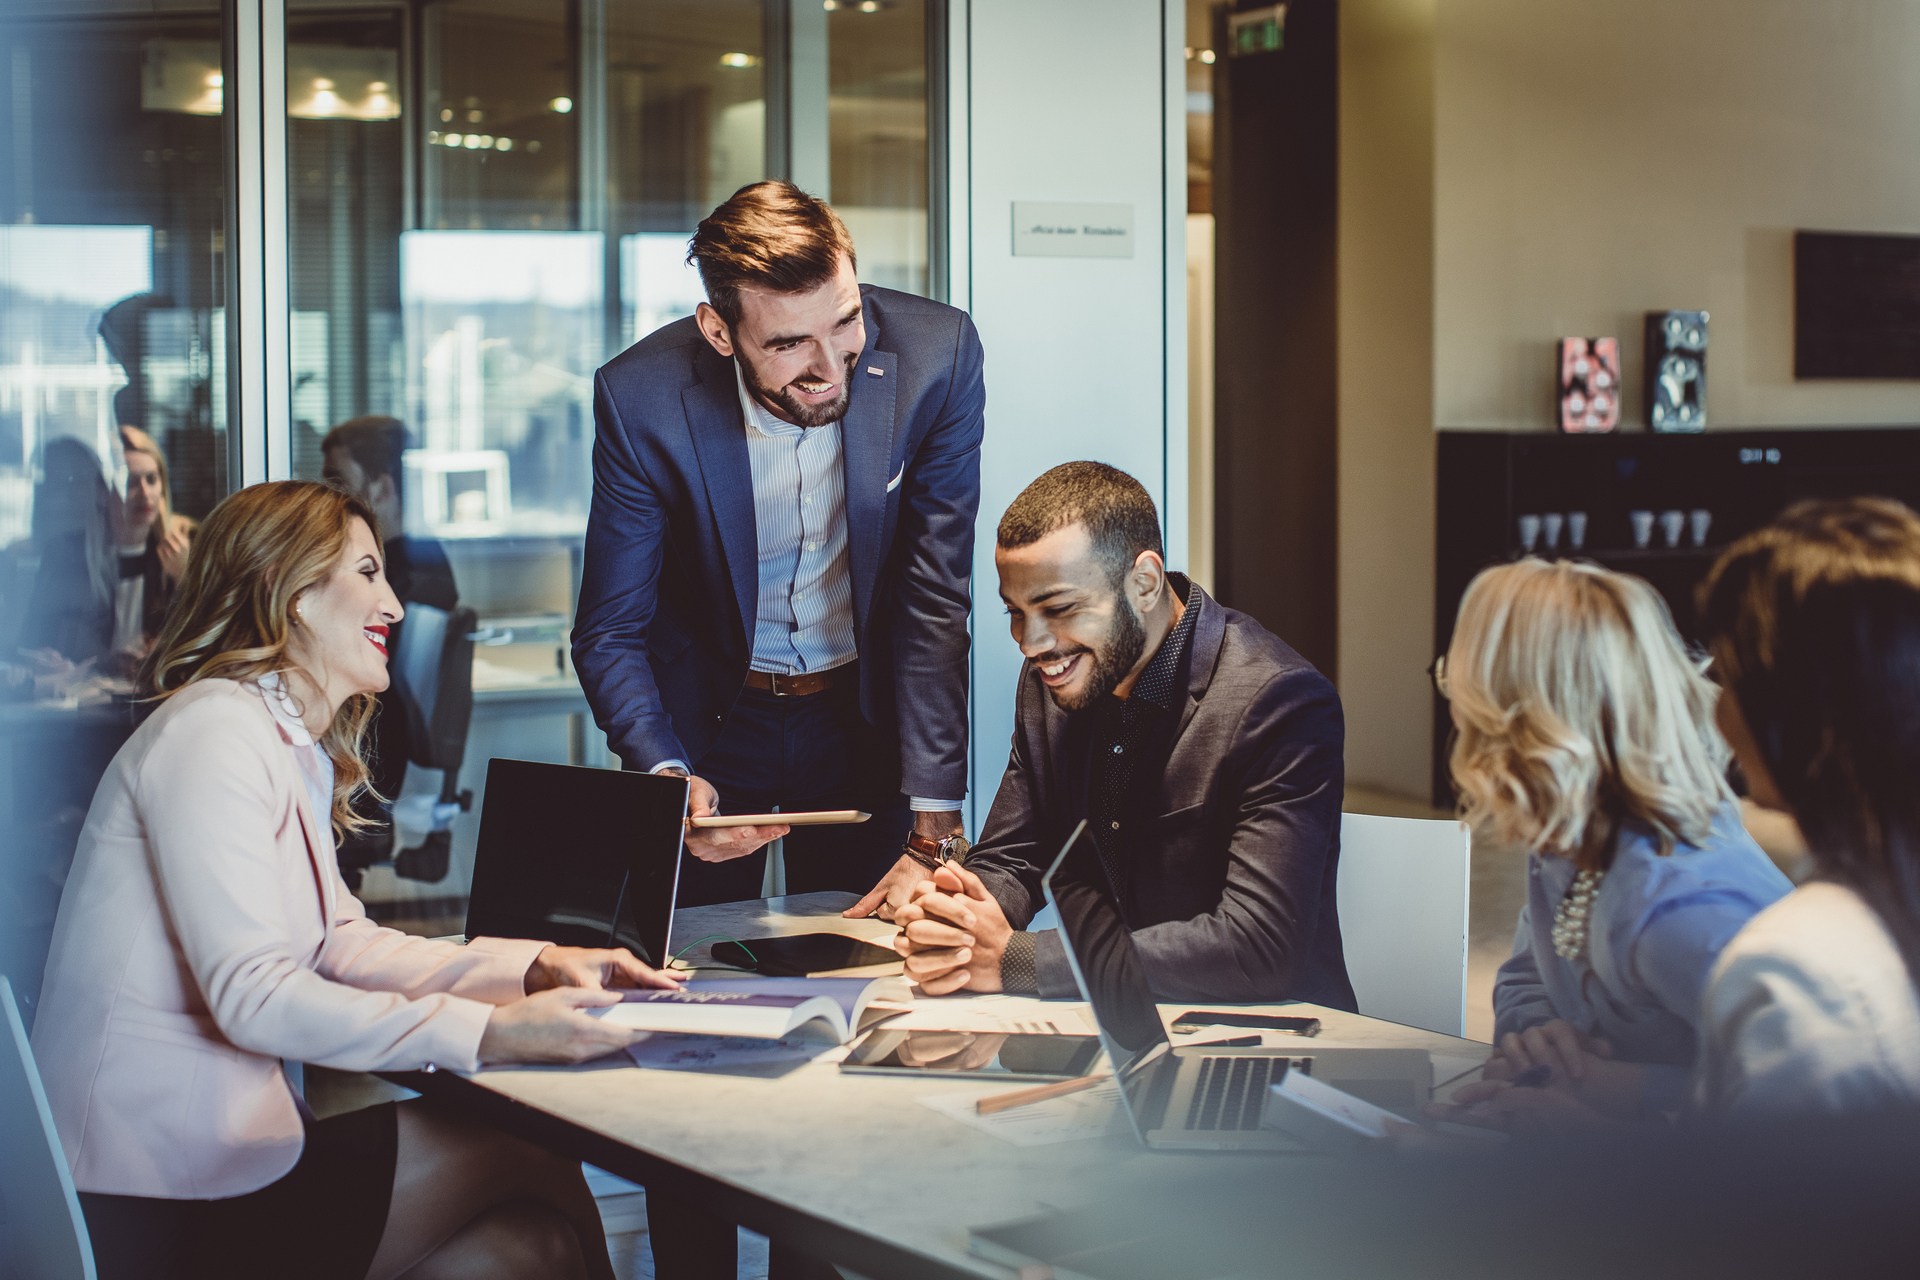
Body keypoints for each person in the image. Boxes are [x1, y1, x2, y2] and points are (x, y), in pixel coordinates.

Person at [31, 480, 679, 1280]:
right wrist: (490, 1032)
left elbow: (341, 940)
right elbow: (253, 995)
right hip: (150, 1202)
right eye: (368, 573)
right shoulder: (213, 733)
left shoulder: (279, 742)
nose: (396, 606)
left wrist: (535, 966)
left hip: (215, 1168)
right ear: (293, 594)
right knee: (529, 1142)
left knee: (527, 1254)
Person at [572, 179, 983, 917]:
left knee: (880, 973)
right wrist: (666, 774)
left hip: (861, 721)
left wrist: (937, 811)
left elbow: (934, 597)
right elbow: (610, 629)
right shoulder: (642, 399)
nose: (831, 367)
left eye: (846, 323)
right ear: (719, 331)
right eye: (791, 344)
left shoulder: (937, 358)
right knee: (686, 971)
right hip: (708, 729)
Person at [893, 462, 1355, 1007]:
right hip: (1122, 1034)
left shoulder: (1280, 702)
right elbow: (1013, 857)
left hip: (1271, 1046)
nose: (1031, 642)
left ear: (1144, 583)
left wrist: (1015, 960)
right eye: (1015, 612)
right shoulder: (1054, 679)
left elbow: (1257, 948)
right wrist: (960, 916)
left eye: (1058, 608)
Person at [1426, 558, 1791, 1133]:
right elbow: (1525, 975)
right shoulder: (1571, 837)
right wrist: (1538, 1038)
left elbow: (1810, 1106)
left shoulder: (1679, 909)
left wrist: (1623, 1090)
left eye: (1455, 679)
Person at [1693, 497, 1920, 1117]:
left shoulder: (1798, 974)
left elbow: (1768, 1211)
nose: (1714, 706)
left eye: (1726, 676)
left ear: (1788, 710)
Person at [321, 415, 460, 888]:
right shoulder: (419, 563)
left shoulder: (408, 585)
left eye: (338, 483)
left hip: (369, 773)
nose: (328, 501)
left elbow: (376, 700)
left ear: (380, 489)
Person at [110, 425, 195, 674]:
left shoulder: (187, 541)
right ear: (104, 491)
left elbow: (216, 638)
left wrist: (184, 578)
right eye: (130, 483)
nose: (145, 493)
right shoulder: (77, 556)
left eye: (151, 479)